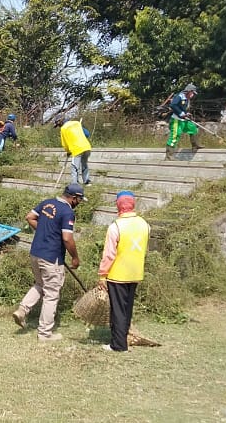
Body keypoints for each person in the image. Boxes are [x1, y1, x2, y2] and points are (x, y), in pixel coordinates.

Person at [12, 183, 85, 342]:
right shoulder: (67, 212)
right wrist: (75, 257)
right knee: (51, 294)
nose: (79, 203)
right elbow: (67, 238)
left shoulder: (47, 202)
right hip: (51, 257)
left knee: (40, 284)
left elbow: (29, 217)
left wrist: (44, 231)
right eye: (79, 200)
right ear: (73, 198)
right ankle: (45, 334)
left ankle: (22, 310)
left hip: (36, 253)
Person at [97, 191, 150, 352]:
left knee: (118, 309)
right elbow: (145, 250)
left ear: (118, 205)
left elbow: (109, 254)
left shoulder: (116, 226)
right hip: (135, 273)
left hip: (117, 274)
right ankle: (123, 336)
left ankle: (118, 345)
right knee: (127, 308)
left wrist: (102, 275)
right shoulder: (145, 225)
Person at [165, 83, 202, 160]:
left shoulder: (187, 99)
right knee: (175, 135)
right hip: (176, 120)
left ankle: (195, 146)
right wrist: (181, 113)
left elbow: (182, 108)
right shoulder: (180, 96)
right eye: (192, 93)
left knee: (193, 128)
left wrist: (186, 113)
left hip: (183, 120)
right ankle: (169, 156)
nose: (193, 95)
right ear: (189, 91)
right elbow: (173, 105)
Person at [58, 117, 93, 186]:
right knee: (84, 164)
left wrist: (68, 151)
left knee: (75, 167)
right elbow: (87, 134)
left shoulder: (63, 129)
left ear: (61, 123)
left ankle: (75, 183)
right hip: (86, 147)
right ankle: (87, 182)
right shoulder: (77, 123)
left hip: (76, 149)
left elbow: (64, 144)